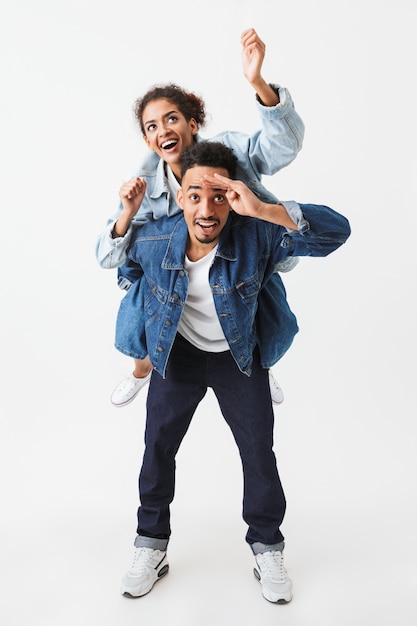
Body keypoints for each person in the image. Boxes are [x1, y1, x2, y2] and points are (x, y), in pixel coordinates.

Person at [115, 141, 351, 602]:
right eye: (196, 195)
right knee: (158, 447)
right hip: (177, 357)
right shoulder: (153, 238)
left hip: (238, 358)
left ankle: (266, 546)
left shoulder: (255, 232)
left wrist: (266, 208)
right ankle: (151, 545)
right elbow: (121, 266)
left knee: (258, 451)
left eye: (220, 195)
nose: (208, 208)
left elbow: (336, 232)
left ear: (234, 196)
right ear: (180, 196)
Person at [96, 28, 305, 408]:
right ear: (148, 141)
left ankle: (260, 363)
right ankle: (143, 367)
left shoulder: (227, 153)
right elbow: (106, 257)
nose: (163, 131)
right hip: (178, 275)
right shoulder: (146, 182)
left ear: (192, 124)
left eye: (171, 119)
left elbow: (281, 148)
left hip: (239, 261)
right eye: (152, 127)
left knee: (263, 295)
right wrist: (126, 213)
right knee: (136, 272)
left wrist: (258, 83)